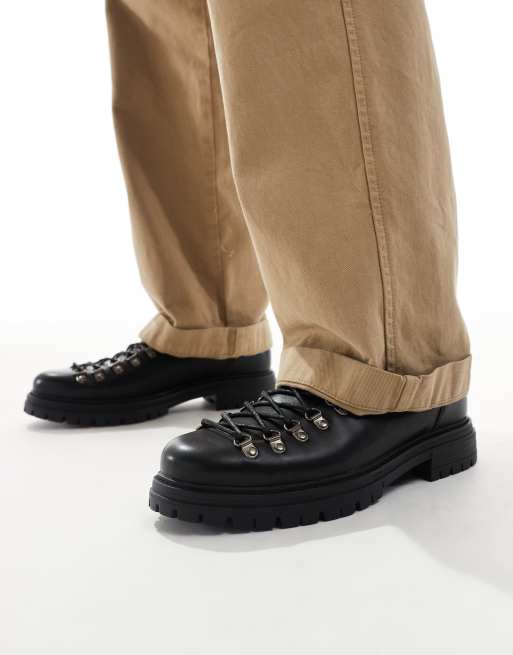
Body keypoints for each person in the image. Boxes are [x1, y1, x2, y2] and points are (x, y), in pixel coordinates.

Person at [25, 0, 476, 530]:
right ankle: (208, 321)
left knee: (296, 16)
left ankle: (385, 370)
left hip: (387, 371)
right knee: (170, 16)